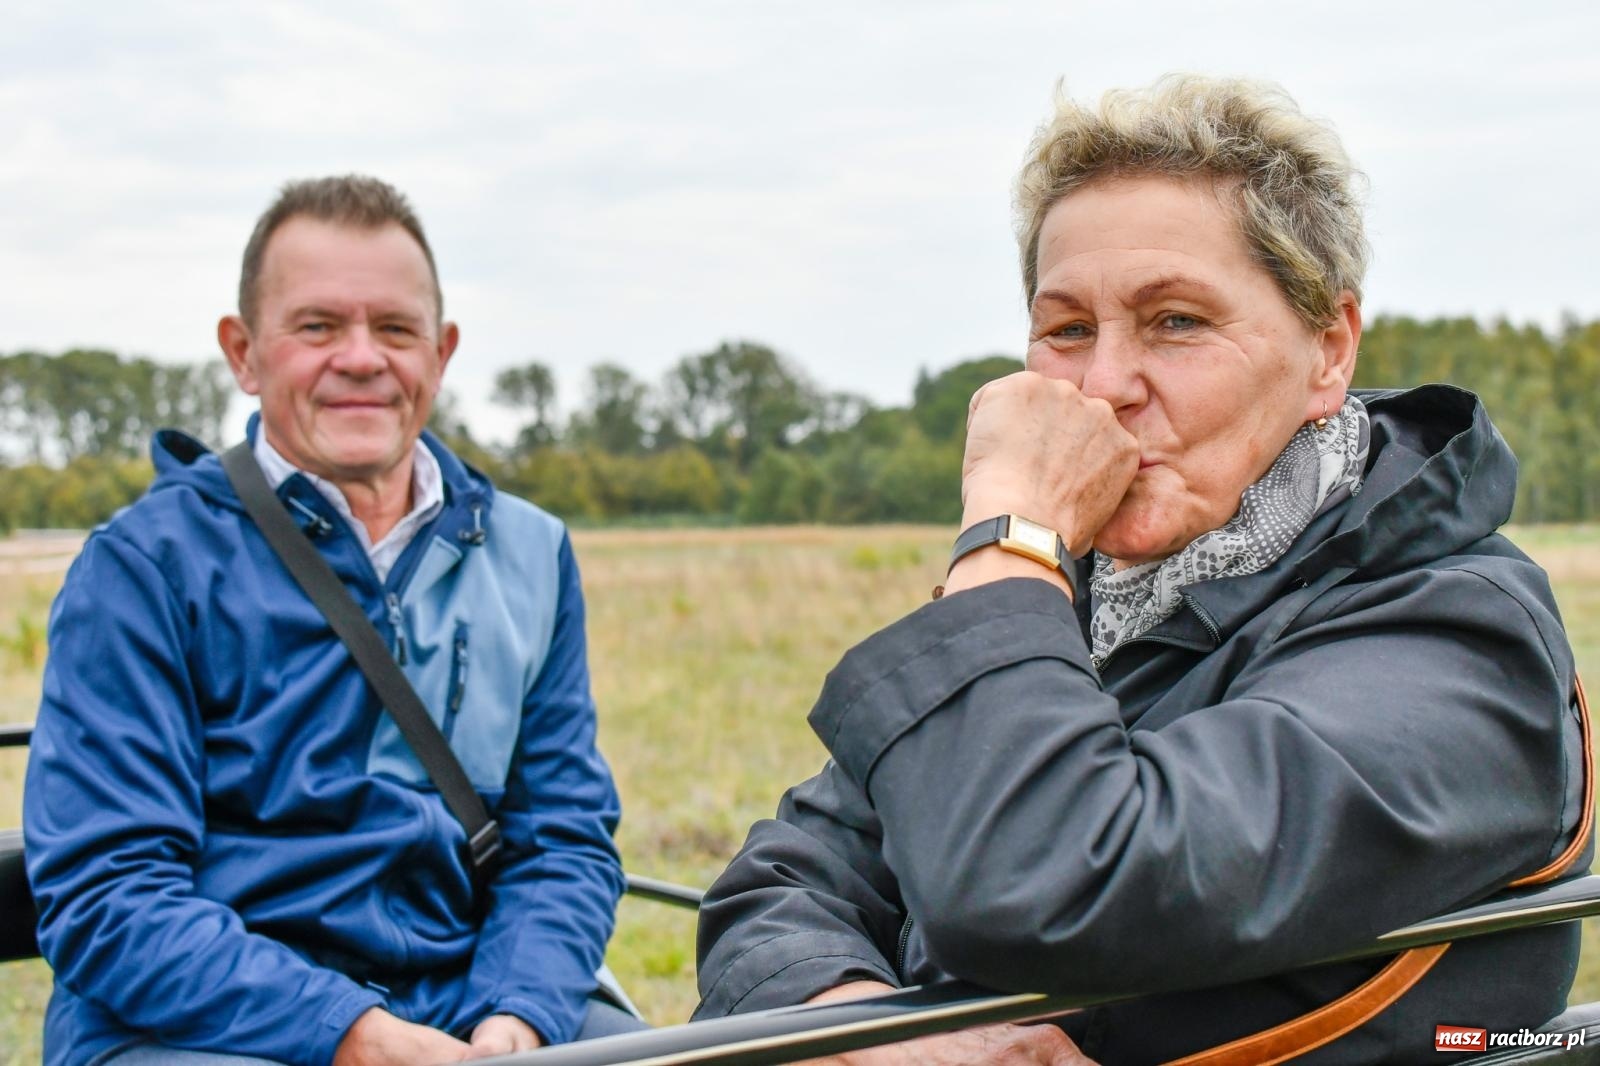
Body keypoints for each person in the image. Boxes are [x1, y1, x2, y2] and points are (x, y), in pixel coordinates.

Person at [693, 76, 1591, 1065]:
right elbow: (786, 872)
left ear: (1327, 349)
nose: (1102, 386)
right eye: (1067, 329)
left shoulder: (1455, 642)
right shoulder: (1067, 600)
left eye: (1175, 322)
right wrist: (861, 1021)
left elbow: (1052, 884)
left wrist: (1013, 534)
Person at [24, 175, 642, 1066]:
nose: (362, 358)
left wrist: (518, 1019)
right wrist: (353, 1034)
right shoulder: (142, 569)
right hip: (203, 1027)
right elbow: (109, 894)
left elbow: (563, 839)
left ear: (442, 351)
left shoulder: (531, 554)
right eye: (317, 327)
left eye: (395, 328)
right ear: (243, 353)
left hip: (471, 1000)